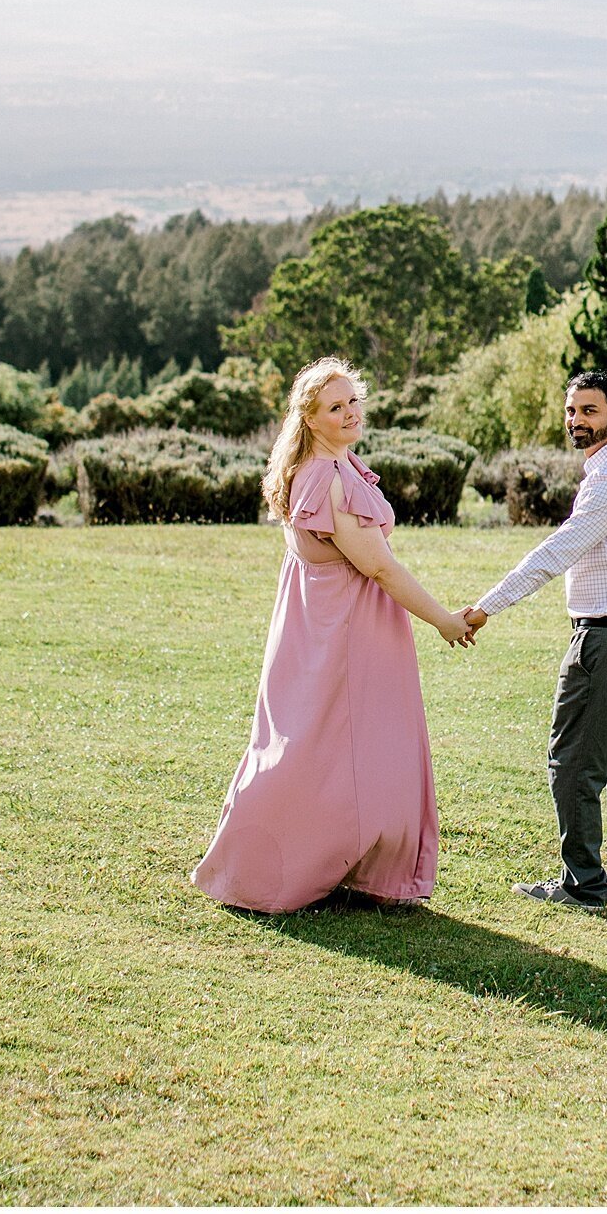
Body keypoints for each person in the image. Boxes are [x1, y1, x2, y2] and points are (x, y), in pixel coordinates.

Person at [192, 356, 475, 914]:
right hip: (342, 634)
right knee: (317, 749)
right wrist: (443, 619)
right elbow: (379, 567)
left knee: (346, 748)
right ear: (311, 419)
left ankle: (359, 865)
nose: (350, 414)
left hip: (335, 627)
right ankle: (260, 867)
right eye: (335, 407)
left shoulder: (337, 466)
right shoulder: (325, 479)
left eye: (353, 402)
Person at [464, 370, 607, 912]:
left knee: (574, 760)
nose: (576, 420)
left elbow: (554, 554)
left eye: (590, 411)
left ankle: (583, 884)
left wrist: (485, 607)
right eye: (572, 410)